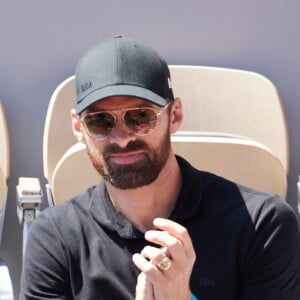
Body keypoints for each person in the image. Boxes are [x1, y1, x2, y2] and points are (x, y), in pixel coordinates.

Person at [20, 36, 300, 300]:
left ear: (174, 115)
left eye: (141, 117)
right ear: (78, 128)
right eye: (100, 121)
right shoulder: (54, 237)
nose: (122, 137)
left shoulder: (261, 224)